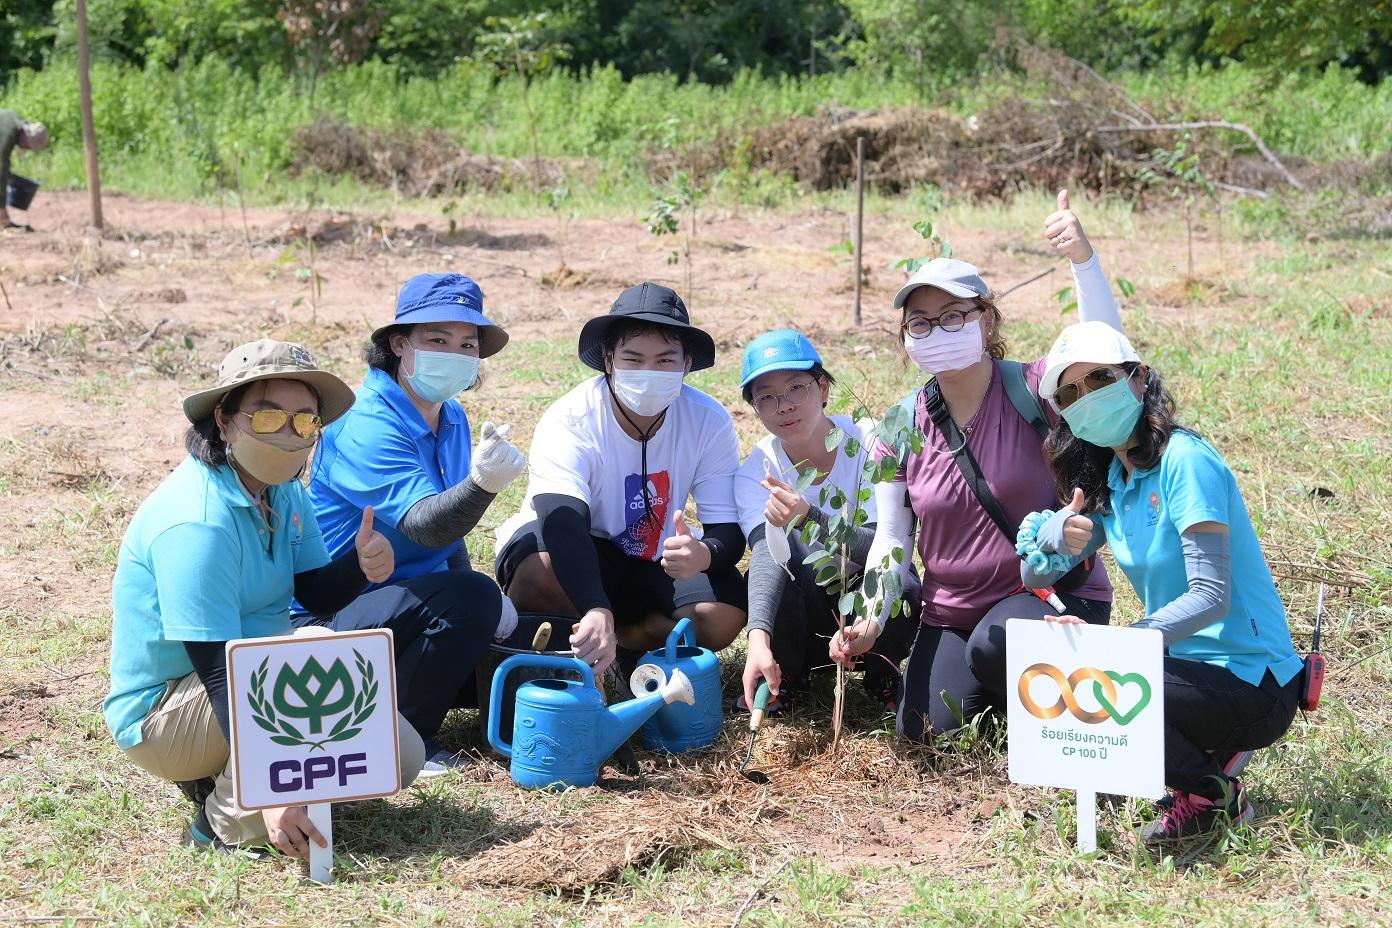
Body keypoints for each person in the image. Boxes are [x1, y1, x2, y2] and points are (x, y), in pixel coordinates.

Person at [105, 339, 425, 857]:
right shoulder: (197, 521)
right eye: (269, 415)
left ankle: (233, 773)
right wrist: (276, 788)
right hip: (165, 711)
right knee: (311, 681)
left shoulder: (281, 488)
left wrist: (360, 565)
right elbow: (215, 668)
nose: (289, 432)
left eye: (304, 421)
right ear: (225, 419)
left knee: (399, 758)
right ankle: (218, 823)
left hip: (255, 669)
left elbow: (314, 591)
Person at [830, 192, 1122, 741]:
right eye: (921, 323)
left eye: (954, 316)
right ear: (906, 338)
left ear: (986, 320)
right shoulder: (897, 427)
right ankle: (1016, 694)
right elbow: (893, 535)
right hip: (951, 614)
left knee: (998, 645)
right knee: (919, 733)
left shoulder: (1036, 389)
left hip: (1053, 596)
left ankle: (1047, 686)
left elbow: (1103, 353)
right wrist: (869, 615)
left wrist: (1084, 261)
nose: (937, 331)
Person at [1004, 320, 1303, 841]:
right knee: (1085, 675)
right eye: (1070, 393)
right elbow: (1034, 577)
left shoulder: (1185, 462)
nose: (1086, 399)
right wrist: (1051, 540)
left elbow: (1211, 595)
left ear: (1139, 378)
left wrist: (1126, 646)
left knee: (1107, 686)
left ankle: (1214, 794)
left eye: (1098, 380)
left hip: (1255, 679)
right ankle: (1204, 762)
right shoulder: (1113, 482)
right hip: (1185, 668)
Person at [295, 273, 527, 774]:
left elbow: (450, 536)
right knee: (473, 602)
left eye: (468, 344)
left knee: (503, 633)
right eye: (437, 340)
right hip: (330, 614)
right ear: (399, 344)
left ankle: (397, 698)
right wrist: (483, 486)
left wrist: (478, 591)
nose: (456, 353)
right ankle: (405, 738)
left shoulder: (453, 417)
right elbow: (425, 525)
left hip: (402, 602)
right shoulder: (366, 420)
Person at [495, 282, 746, 676]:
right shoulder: (571, 418)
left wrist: (706, 553)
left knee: (721, 616)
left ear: (686, 363)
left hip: (651, 554)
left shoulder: (708, 420)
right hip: (579, 543)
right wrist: (595, 603)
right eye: (633, 358)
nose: (649, 372)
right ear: (608, 360)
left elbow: (726, 528)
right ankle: (566, 644)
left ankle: (629, 643)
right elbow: (561, 520)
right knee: (538, 572)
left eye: (665, 360)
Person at [735, 329, 917, 714]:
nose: (783, 406)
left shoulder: (868, 444)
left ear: (823, 388)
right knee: (775, 556)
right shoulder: (757, 470)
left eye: (796, 388)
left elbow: (885, 545)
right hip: (809, 607)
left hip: (869, 606)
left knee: (903, 581)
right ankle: (788, 675)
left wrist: (809, 517)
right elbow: (766, 553)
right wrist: (757, 637)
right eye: (766, 397)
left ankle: (882, 672)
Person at [0, 110, 47, 230]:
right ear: (26, 137)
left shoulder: (14, 119)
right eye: (28, 146)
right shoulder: (8, 134)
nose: (26, 148)